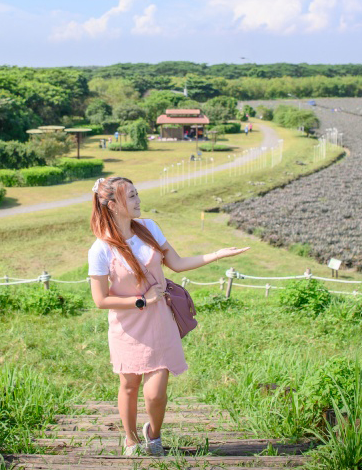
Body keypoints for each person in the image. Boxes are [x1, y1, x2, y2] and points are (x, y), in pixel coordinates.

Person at [87, 176, 249, 456]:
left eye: (138, 194)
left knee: (155, 393)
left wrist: (217, 254)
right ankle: (130, 439)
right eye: (132, 197)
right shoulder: (101, 249)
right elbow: (100, 299)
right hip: (127, 327)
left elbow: (177, 263)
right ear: (112, 205)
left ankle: (154, 433)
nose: (139, 201)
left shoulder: (149, 228)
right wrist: (142, 300)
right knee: (129, 385)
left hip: (160, 321)